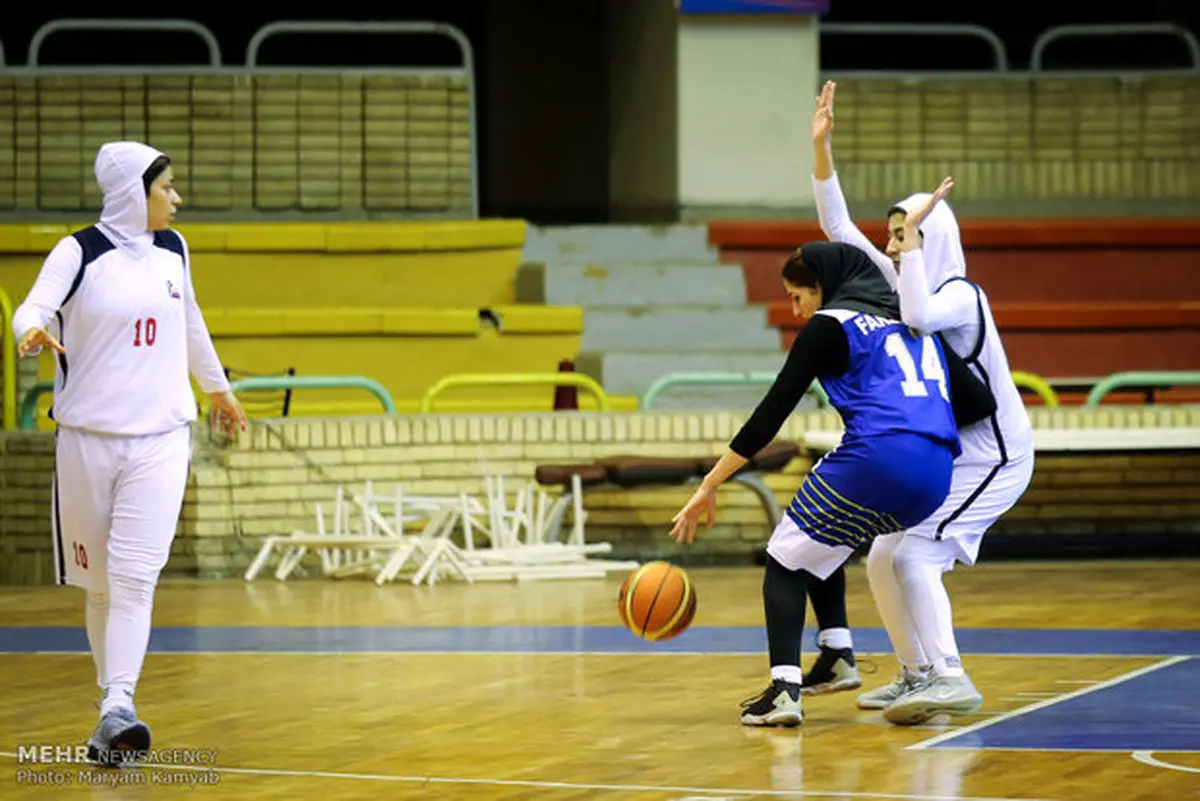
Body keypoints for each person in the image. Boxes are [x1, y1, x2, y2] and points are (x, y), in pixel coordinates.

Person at [807, 80, 1036, 725]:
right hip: (955, 454)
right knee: (882, 553)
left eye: (905, 234)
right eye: (893, 233)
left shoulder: (963, 295)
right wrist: (821, 150)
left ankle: (951, 676)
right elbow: (837, 226)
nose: (892, 243)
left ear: (931, 239)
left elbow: (916, 310)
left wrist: (909, 249)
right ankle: (915, 675)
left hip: (997, 457)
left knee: (916, 553)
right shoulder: (905, 273)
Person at [12, 141, 247, 765]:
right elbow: (32, 306)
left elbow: (190, 320)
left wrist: (217, 389)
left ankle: (119, 705)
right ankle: (108, 709)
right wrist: (30, 332)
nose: (176, 197)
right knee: (100, 588)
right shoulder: (78, 251)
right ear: (131, 192)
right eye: (165, 186)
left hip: (163, 439)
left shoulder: (175, 250)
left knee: (136, 576)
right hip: (87, 443)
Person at [668, 237, 964, 727]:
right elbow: (974, 402)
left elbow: (770, 414)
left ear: (821, 288)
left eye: (797, 296)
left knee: (783, 557)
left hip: (880, 455)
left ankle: (784, 691)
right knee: (821, 542)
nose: (796, 310)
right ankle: (837, 654)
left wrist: (709, 484)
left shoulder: (831, 324)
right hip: (937, 471)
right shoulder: (913, 321)